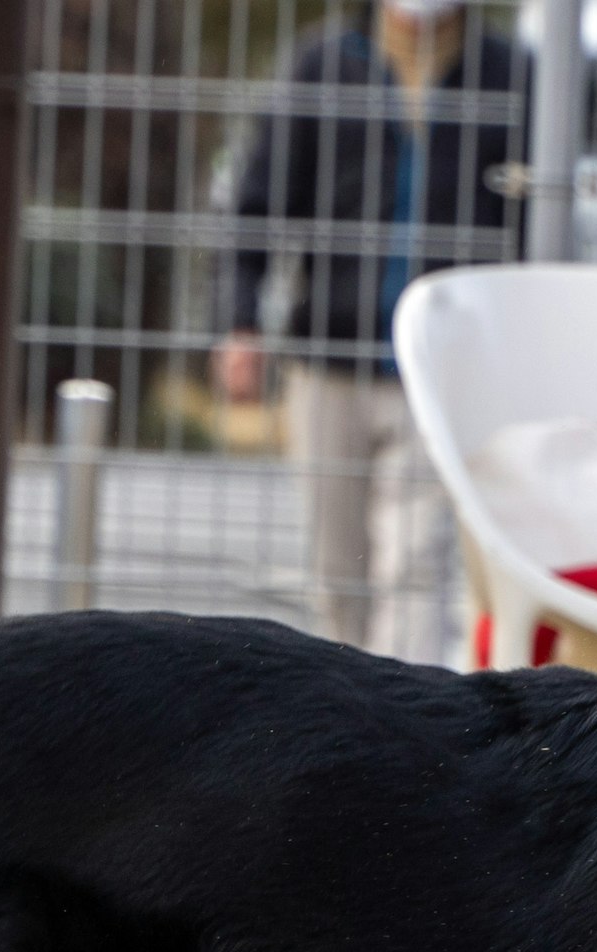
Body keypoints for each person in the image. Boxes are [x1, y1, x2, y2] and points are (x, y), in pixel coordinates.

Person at [214, 0, 526, 664]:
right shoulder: (322, 62)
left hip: (441, 370)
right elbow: (259, 199)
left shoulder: (507, 72)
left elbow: (528, 230)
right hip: (328, 357)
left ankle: (401, 738)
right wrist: (240, 319)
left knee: (418, 568)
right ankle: (347, 724)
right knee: (338, 573)